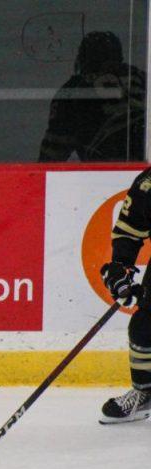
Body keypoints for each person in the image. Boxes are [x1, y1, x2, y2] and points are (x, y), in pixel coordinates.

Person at [39, 31, 146, 163]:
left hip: (103, 171)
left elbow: (53, 152)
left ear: (83, 58)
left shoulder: (73, 90)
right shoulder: (143, 78)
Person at [99, 166, 151, 423]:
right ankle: (146, 393)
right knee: (144, 327)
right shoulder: (147, 184)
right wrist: (121, 266)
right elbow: (129, 230)